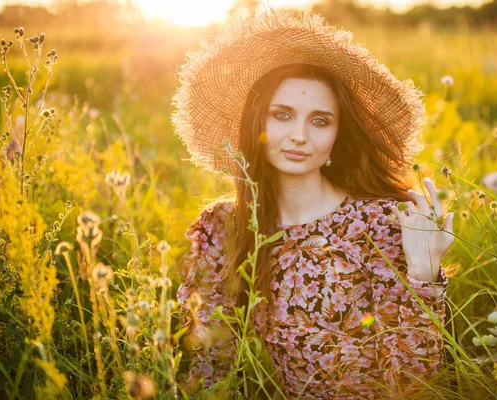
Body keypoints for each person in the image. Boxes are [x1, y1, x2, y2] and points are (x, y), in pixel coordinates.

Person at [172, 9, 455, 399]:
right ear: (258, 125)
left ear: (339, 135)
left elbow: (411, 382)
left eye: (320, 121)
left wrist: (424, 271)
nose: (299, 136)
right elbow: (212, 367)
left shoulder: (378, 222)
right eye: (282, 115)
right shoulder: (224, 228)